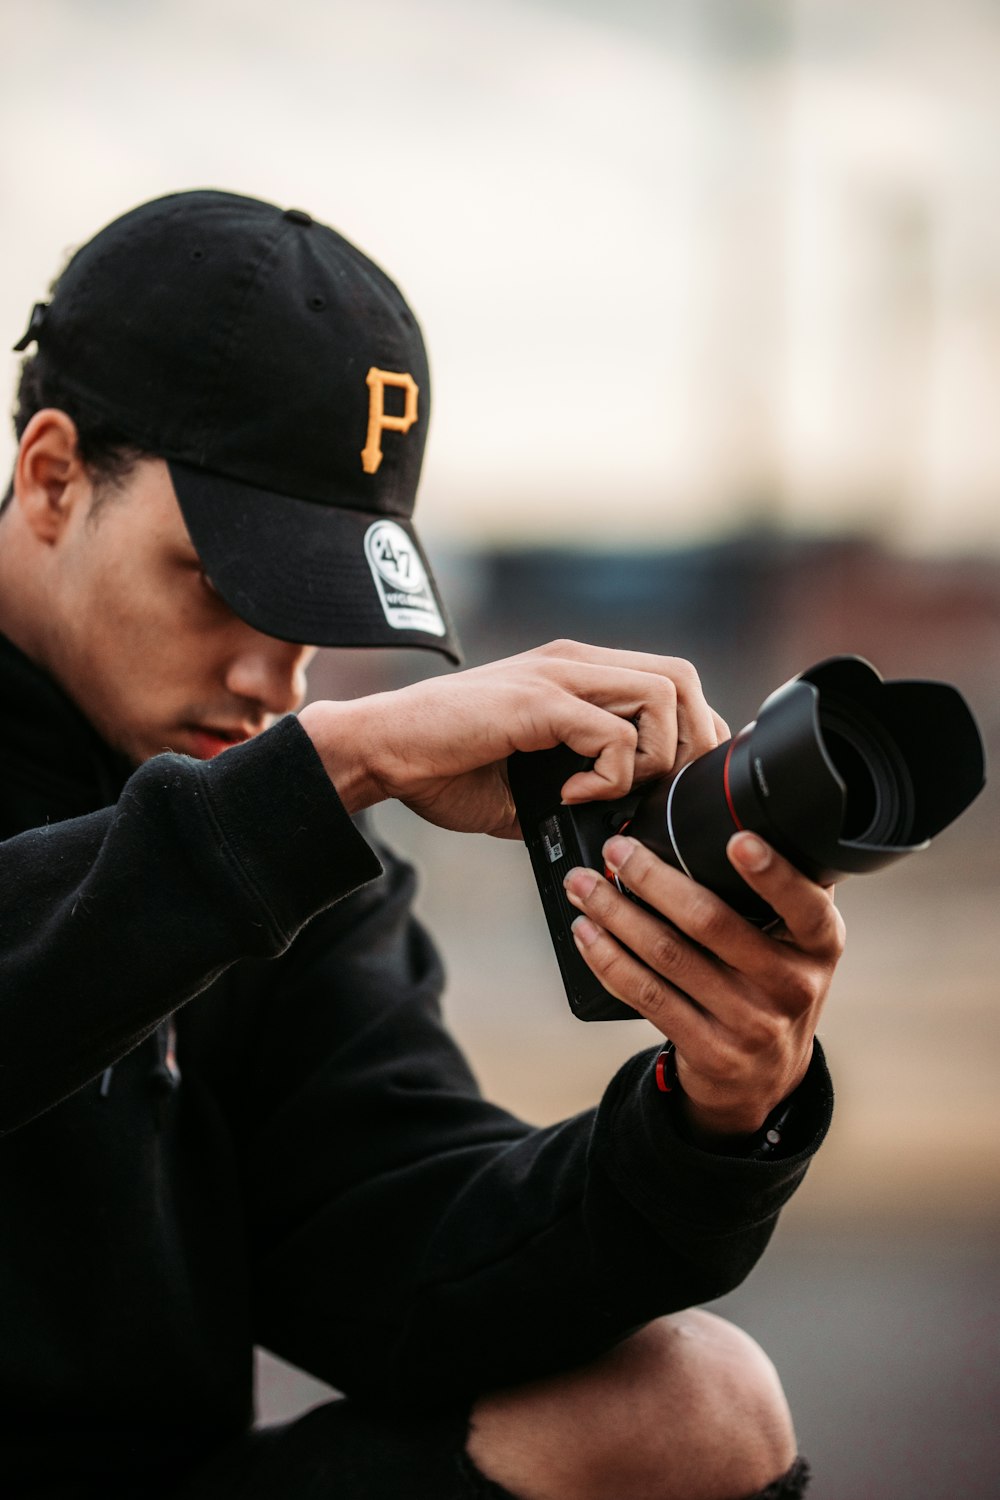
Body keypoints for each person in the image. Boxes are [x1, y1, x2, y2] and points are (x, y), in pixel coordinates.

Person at [0, 190, 842, 1500]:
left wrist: (710, 1121)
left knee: (699, 1402)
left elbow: (410, 1277)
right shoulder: (278, 798)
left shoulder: (269, 823)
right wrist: (340, 764)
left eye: (312, 608)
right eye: (224, 584)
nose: (272, 676)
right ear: (54, 476)